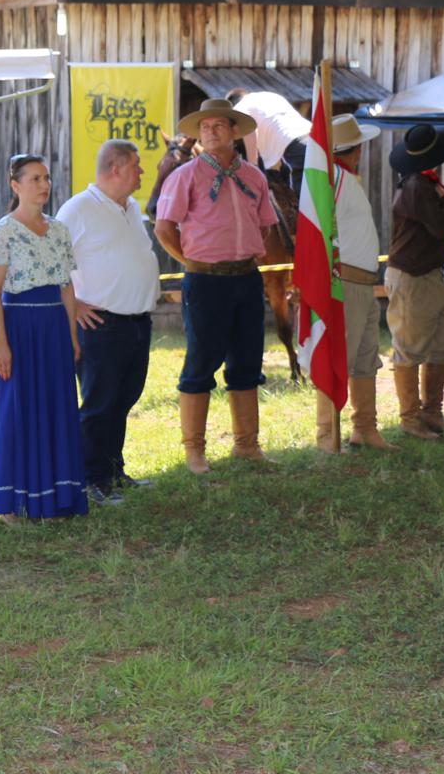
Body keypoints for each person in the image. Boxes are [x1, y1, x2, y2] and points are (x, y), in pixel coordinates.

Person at [154, 98, 279, 474]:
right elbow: (163, 228)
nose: (209, 132)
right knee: (201, 362)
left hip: (245, 278)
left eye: (217, 127)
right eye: (204, 128)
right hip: (205, 281)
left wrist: (247, 252)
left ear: (235, 132)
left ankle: (247, 444)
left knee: (247, 359)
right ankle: (195, 451)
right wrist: (190, 260)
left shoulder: (254, 177)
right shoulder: (185, 176)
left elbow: (267, 224)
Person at [0, 154, 87, 520]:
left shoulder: (60, 229)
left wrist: (71, 336)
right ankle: (12, 502)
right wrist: (1, 344)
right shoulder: (1, 232)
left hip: (53, 329)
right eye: (34, 178)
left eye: (46, 177)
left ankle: (55, 497)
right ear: (15, 185)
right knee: (16, 410)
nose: (43, 184)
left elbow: (66, 287)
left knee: (54, 407)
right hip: (18, 329)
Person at [59, 138, 160, 502]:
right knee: (100, 403)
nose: (142, 172)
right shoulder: (78, 210)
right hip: (100, 324)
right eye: (136, 165)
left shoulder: (130, 206)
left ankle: (113, 470)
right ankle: (90, 478)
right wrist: (74, 305)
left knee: (124, 399)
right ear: (115, 169)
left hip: (136, 321)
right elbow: (54, 264)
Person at [386, 125, 444, 439]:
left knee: (442, 345)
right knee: (410, 349)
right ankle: (410, 419)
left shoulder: (425, 184)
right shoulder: (416, 187)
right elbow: (441, 226)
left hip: (431, 274)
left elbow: (441, 224)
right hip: (412, 277)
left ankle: (431, 411)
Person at [324, 115, 394, 451]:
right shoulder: (335, 178)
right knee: (344, 357)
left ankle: (364, 427)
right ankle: (330, 433)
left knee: (365, 357)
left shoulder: (346, 179)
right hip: (348, 280)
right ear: (357, 150)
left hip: (362, 282)